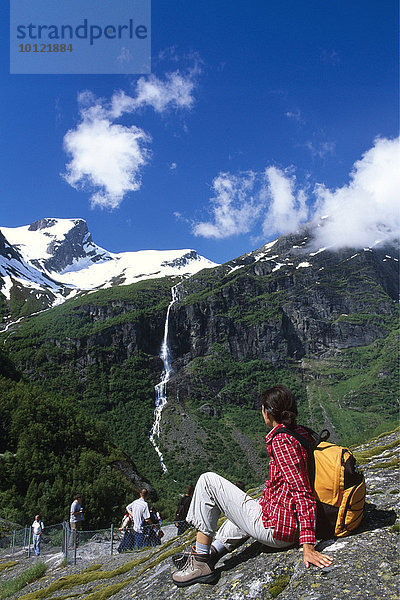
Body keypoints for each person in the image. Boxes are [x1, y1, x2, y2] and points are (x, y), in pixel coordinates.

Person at [172, 385, 333, 587]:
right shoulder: (300, 432)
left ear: (268, 412)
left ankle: (200, 563)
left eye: (262, 408)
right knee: (245, 509)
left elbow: (302, 492)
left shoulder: (282, 441)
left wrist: (308, 545)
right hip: (285, 521)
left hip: (279, 530)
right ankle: (213, 552)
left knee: (207, 481)